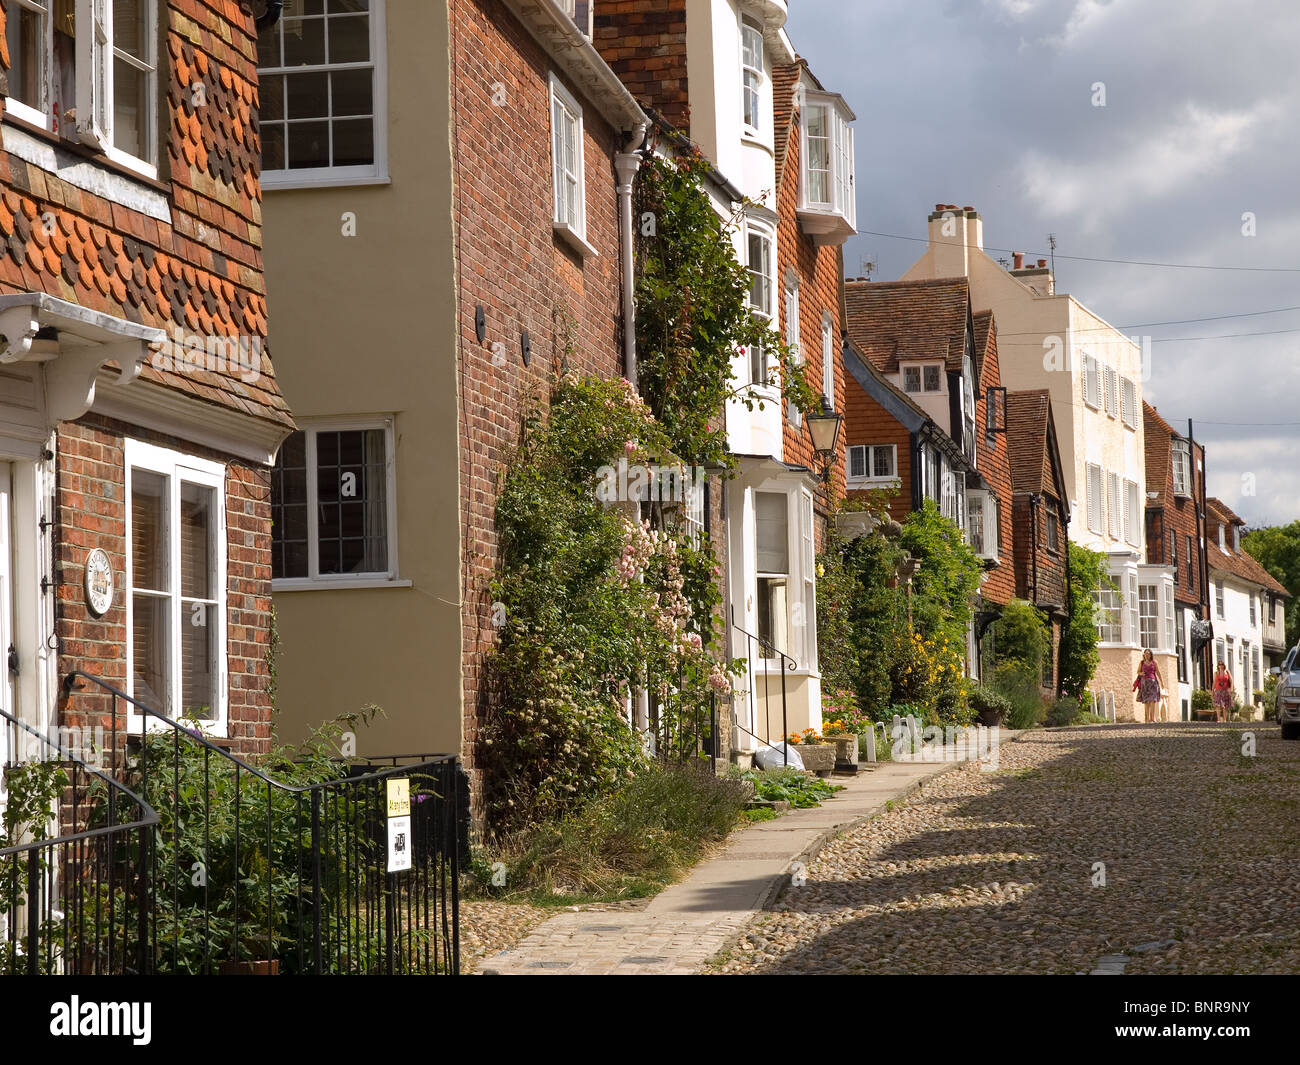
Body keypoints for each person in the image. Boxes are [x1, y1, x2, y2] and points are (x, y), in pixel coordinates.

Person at [1132, 649, 1164, 723]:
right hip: (1145, 684)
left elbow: (1158, 672)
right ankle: (1146, 718)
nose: (1147, 655)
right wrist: (1141, 673)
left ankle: (1152, 718)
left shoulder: (1154, 662)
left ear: (1151, 655)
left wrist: (1162, 682)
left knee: (1153, 700)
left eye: (1148, 654)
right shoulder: (1142, 663)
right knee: (1146, 702)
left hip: (1153, 683)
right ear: (1144, 655)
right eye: (1146, 654)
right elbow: (1138, 672)